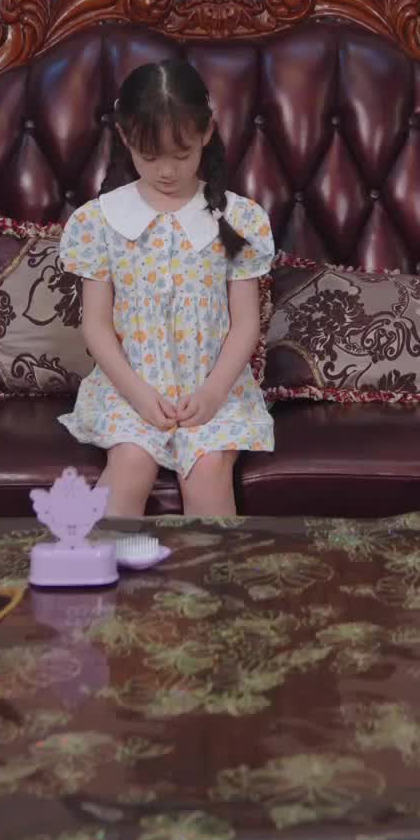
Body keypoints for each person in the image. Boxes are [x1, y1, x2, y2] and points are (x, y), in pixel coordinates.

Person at [57, 59, 274, 518]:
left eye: (182, 154)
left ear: (207, 132)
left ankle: (212, 568)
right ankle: (100, 564)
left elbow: (245, 325)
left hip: (215, 386)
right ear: (125, 137)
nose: (168, 172)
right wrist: (138, 394)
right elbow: (96, 326)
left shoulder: (238, 218)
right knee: (130, 465)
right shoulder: (100, 220)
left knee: (207, 471)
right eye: (150, 157)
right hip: (130, 387)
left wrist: (212, 393)